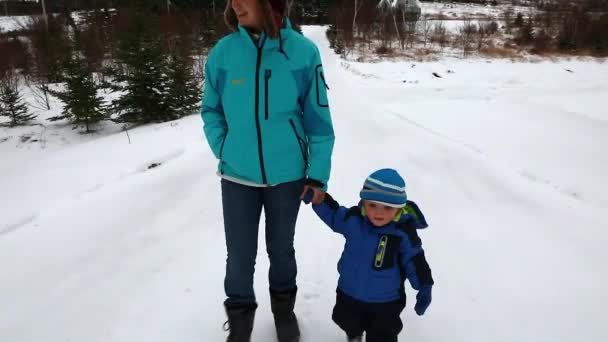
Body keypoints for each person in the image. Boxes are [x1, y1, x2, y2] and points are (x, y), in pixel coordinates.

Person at [200, 0, 335, 341]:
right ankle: (241, 318)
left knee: (281, 248)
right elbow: (211, 110)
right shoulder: (224, 53)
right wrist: (225, 148)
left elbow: (319, 121)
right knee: (240, 254)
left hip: (287, 176)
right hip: (236, 176)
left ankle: (283, 312)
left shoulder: (303, 53)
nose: (235, 4)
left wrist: (317, 174)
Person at [304, 168, 434, 342]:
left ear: (398, 209)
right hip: (349, 293)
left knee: (382, 335)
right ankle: (354, 335)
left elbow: (414, 258)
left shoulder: (402, 232)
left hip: (386, 302)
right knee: (348, 321)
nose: (378, 213)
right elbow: (334, 215)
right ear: (364, 203)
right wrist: (319, 200)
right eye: (372, 205)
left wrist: (424, 285)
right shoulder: (354, 220)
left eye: (387, 207)